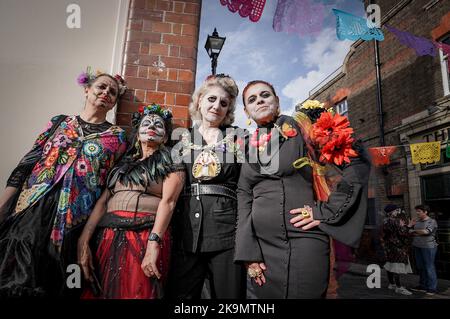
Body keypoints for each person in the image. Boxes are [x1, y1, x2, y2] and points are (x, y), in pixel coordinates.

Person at [234, 80, 371, 298]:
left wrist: (325, 212)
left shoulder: (305, 127)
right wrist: (248, 252)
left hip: (306, 242)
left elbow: (357, 163)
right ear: (246, 111)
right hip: (262, 250)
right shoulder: (246, 145)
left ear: (277, 101)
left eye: (265, 95)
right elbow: (243, 196)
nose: (259, 100)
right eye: (252, 99)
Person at [0, 69, 128, 297]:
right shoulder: (58, 122)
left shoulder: (117, 137)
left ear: (114, 103)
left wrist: (86, 236)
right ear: (87, 90)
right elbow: (26, 164)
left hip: (74, 219)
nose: (106, 92)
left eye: (113, 92)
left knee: (60, 279)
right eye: (101, 87)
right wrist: (2, 207)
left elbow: (108, 189)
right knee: (18, 270)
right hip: (33, 208)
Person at [77, 104, 185, 299]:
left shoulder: (171, 160)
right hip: (108, 235)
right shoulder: (122, 165)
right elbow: (102, 203)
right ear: (137, 134)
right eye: (147, 123)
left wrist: (154, 243)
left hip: (145, 236)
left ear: (166, 137)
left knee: (137, 291)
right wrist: (84, 239)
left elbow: (168, 202)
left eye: (159, 125)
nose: (152, 126)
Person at [166, 74, 246, 299]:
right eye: (211, 99)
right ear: (199, 101)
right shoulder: (179, 141)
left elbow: (247, 187)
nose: (216, 106)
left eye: (224, 103)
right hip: (186, 234)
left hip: (227, 235)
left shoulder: (239, 138)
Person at [381, 204, 413, 295]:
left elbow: (386, 234)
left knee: (390, 265)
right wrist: (409, 226)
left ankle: (392, 284)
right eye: (396, 210)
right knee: (397, 267)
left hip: (389, 247)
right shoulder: (395, 221)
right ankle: (399, 287)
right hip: (397, 247)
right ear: (392, 212)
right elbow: (402, 233)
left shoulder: (385, 221)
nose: (397, 212)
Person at [409, 204, 438, 295]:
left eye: (419, 211)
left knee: (429, 267)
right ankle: (423, 286)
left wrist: (414, 231)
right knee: (420, 267)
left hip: (428, 247)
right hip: (417, 246)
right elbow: (408, 232)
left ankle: (432, 288)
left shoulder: (432, 221)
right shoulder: (416, 221)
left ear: (425, 212)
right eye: (416, 211)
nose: (417, 213)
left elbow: (427, 232)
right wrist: (411, 227)